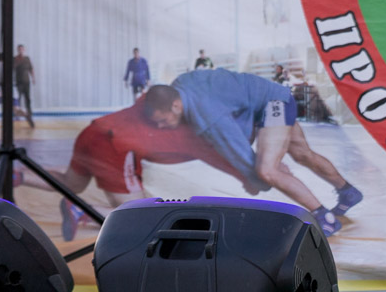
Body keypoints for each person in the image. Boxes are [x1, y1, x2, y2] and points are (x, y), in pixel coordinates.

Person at [142, 69, 363, 237]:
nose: (161, 126)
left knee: (266, 171)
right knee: (303, 154)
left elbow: (238, 151)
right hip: (270, 97)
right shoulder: (180, 84)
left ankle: (325, 217)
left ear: (176, 106)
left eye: (163, 120)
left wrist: (257, 180)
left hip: (273, 104)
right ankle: (348, 191)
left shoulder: (207, 116)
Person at [25, 101, 263, 241]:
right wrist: (247, 177)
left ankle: (19, 176)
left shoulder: (178, 104)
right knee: (139, 213)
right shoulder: (199, 135)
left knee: (72, 182)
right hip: (115, 144)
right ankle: (82, 211)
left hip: (94, 131)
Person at [13, 44, 35, 128]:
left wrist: (33, 78)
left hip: (26, 82)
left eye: (22, 49)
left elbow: (31, 69)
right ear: (17, 50)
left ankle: (29, 113)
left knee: (27, 98)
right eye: (19, 49)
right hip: (18, 82)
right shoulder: (15, 59)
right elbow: (13, 68)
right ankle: (17, 114)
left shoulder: (27, 59)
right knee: (17, 99)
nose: (21, 50)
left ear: (24, 50)